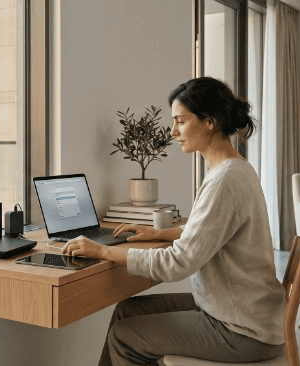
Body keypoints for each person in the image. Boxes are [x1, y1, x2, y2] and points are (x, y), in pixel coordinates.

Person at [62, 77, 286, 366]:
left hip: (242, 331)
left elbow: (177, 264)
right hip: (247, 313)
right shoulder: (235, 169)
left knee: (123, 336)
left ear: (210, 122)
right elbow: (212, 231)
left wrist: (103, 251)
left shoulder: (224, 180)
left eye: (180, 121)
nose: (173, 131)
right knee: (127, 311)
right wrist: (162, 233)